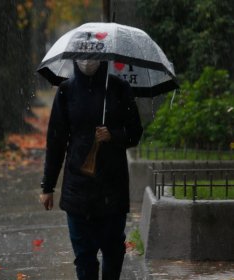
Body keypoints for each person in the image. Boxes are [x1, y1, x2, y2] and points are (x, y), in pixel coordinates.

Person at [40, 59, 143, 280]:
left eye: (93, 56)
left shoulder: (119, 89)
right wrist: (47, 185)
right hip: (78, 189)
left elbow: (135, 132)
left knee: (113, 253)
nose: (88, 61)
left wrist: (113, 135)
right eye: (82, 56)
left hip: (112, 189)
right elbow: (56, 141)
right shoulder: (66, 91)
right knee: (84, 258)